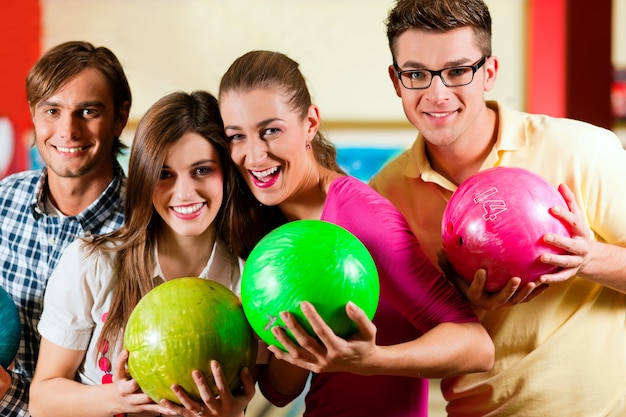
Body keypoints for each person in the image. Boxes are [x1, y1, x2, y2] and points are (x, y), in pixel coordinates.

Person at [369, 1, 626, 416]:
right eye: (416, 74)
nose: (437, 95)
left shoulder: (583, 149)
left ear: (488, 72)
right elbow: (408, 344)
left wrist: (587, 257)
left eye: (457, 71)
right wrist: (465, 309)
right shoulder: (385, 195)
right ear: (396, 81)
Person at [218, 49, 495, 417]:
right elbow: (281, 391)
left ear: (310, 124)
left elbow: (476, 346)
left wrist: (372, 359)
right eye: (237, 136)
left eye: (271, 131)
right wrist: (302, 344)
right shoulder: (272, 227)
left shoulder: (361, 216)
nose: (253, 156)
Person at [29, 91, 260, 417]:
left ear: (227, 173)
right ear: (144, 178)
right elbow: (42, 400)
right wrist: (117, 399)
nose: (184, 193)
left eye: (202, 171)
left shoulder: (250, 283)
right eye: (164, 174)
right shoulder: (91, 262)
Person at [0, 40, 131, 416]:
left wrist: (8, 393)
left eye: (87, 111)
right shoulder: (3, 203)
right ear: (34, 114)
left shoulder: (148, 228)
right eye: (52, 111)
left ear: (120, 118)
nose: (67, 130)